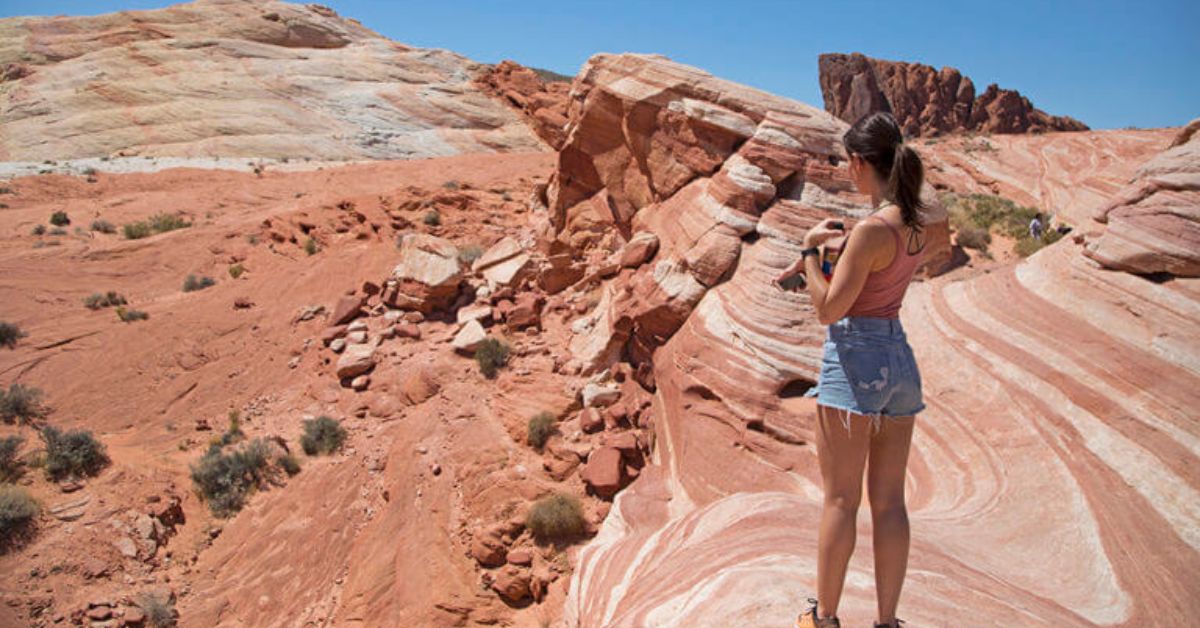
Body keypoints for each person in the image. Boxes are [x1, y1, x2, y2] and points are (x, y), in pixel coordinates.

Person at [775, 111, 927, 628]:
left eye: (848, 162)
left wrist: (811, 252)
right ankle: (887, 621)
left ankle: (826, 618)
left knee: (841, 499)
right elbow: (888, 267)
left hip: (855, 359)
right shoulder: (917, 221)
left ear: (861, 162)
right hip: (899, 361)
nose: (847, 171)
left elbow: (828, 310)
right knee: (890, 502)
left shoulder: (868, 229)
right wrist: (841, 257)